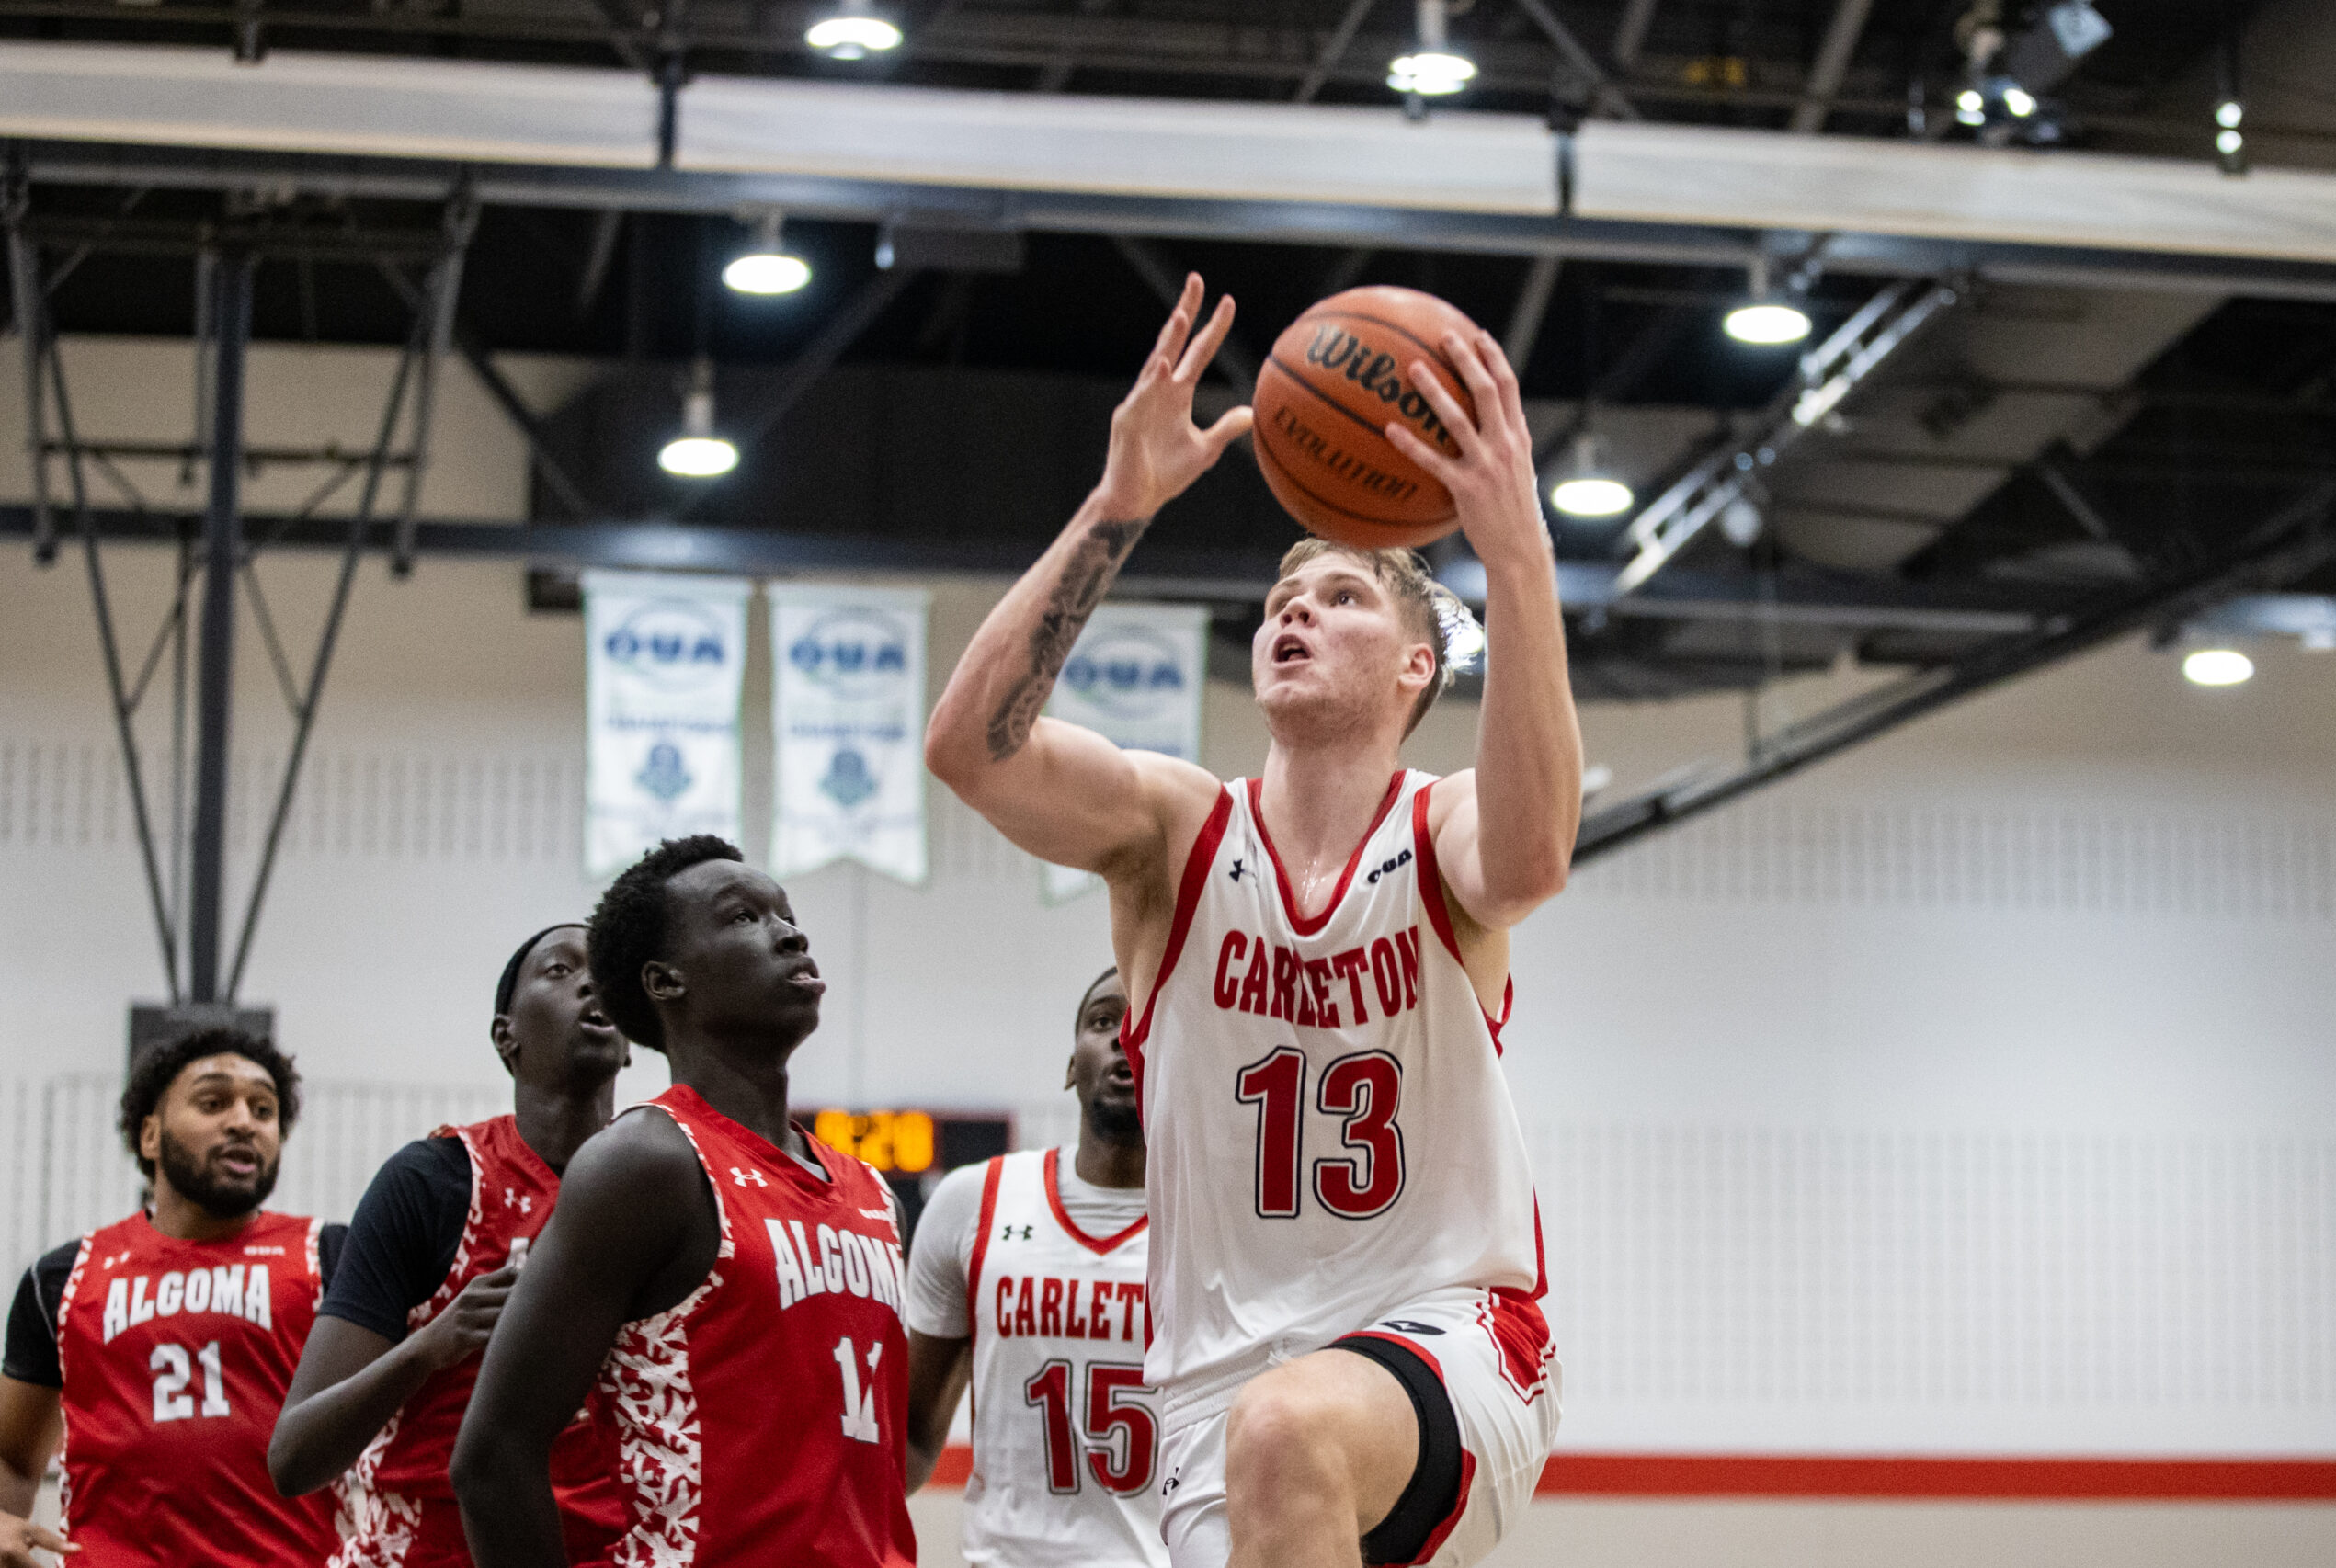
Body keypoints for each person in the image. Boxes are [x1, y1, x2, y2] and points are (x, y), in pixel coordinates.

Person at [926, 273, 1581, 1568]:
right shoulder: (1174, 832)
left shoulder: (1436, 824)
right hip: (1210, 1397)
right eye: (1285, 597)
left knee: (1292, 1427)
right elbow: (970, 751)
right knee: (1274, 1432)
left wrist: (1516, 557)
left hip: (1457, 1335)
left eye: (1342, 597)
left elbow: (1530, 856)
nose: (1296, 610)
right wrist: (1120, 503)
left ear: (1416, 669)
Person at [450, 835, 917, 1568]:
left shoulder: (871, 1193)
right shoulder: (644, 1162)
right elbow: (492, 1454)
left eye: (786, 915)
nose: (790, 933)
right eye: (743, 918)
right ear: (666, 981)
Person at [269, 923, 631, 1566]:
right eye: (559, 969)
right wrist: (431, 1347)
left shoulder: (671, 1187)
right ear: (506, 1036)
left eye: (604, 973)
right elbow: (295, 1457)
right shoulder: (433, 1182)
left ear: (630, 1041)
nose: (589, 983)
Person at [0, 1028, 348, 1568]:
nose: (243, 1121)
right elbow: (14, 1457)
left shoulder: (333, 1256)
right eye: (213, 1102)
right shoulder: (63, 1277)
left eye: (264, 1109)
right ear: (150, 1136)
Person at [904, 967, 1161, 1568]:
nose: (1126, 1036)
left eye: (1152, 1018)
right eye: (1103, 1020)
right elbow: (912, 1433)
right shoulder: (972, 1201)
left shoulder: (1222, 1221)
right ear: (1072, 1063)